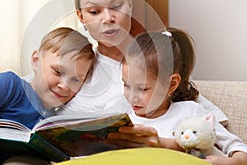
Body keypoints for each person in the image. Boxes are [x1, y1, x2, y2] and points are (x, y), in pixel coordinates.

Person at [57, 0, 228, 127]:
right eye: (94, 11)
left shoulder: (158, 56)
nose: (108, 18)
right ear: (81, 17)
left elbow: (215, 122)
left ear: (130, 4)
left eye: (116, 7)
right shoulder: (79, 70)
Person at [0, 27, 95, 164]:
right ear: (36, 61)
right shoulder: (9, 85)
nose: (64, 85)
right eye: (57, 72)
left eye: (75, 80)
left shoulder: (57, 123)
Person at [106, 27, 247, 165]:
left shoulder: (190, 113)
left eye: (142, 88)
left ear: (171, 84)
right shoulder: (124, 120)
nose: (132, 97)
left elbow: (240, 150)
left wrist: (234, 161)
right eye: (126, 85)